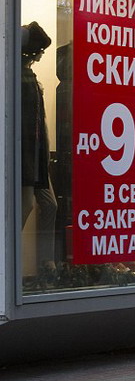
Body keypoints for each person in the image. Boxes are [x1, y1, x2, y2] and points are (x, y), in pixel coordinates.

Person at [21, 21, 58, 276]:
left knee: (50, 205)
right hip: (24, 158)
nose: (40, 57)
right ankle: (10, 262)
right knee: (25, 207)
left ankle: (47, 263)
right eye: (38, 53)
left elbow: (38, 121)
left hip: (36, 157)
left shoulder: (29, 79)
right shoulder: (19, 80)